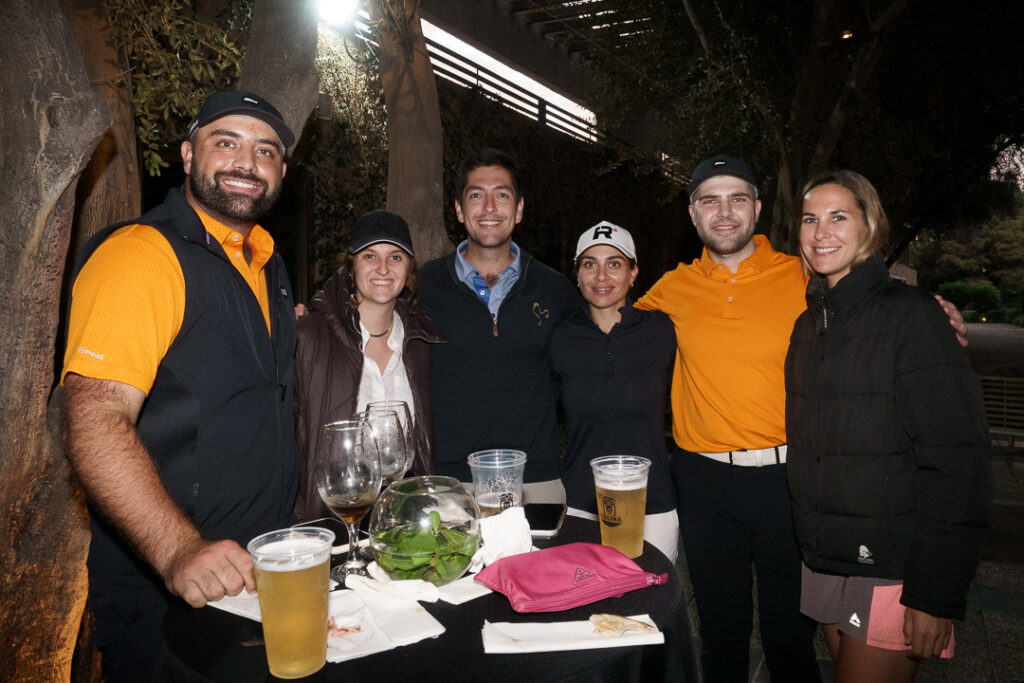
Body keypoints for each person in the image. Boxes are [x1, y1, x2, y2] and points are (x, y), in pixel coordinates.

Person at [636, 154, 967, 682]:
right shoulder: (670, 288)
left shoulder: (804, 272)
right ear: (692, 214)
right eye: (709, 201)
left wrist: (933, 307)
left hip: (790, 481)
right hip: (703, 482)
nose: (724, 212)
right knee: (719, 633)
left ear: (757, 208)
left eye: (737, 198)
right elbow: (610, 322)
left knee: (789, 637)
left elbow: (870, 293)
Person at [61, 90, 298, 682]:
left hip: (257, 577)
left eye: (265, 151)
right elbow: (93, 417)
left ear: (281, 172)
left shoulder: (268, 264)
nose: (246, 162)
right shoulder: (141, 255)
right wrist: (177, 550)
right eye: (226, 142)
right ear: (189, 156)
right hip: (167, 592)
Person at [785, 170, 991, 682]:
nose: (820, 232)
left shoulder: (912, 316)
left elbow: (957, 460)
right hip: (826, 555)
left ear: (870, 225)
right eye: (810, 219)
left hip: (892, 565)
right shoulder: (807, 326)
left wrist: (934, 594)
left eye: (838, 217)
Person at [419, 148, 578, 502]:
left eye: (502, 195)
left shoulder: (556, 291)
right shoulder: (422, 287)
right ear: (459, 210)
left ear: (518, 209)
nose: (489, 207)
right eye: (476, 195)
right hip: (449, 483)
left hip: (535, 481)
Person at [293, 209, 443, 522]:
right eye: (370, 256)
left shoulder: (421, 342)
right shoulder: (308, 336)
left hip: (403, 519)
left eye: (395, 257)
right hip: (332, 519)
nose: (383, 268)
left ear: (409, 269)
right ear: (352, 267)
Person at [549, 221, 679, 561]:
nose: (601, 276)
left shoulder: (663, 331)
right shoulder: (559, 337)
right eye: (590, 264)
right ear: (578, 275)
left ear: (633, 273)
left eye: (615, 263)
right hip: (581, 503)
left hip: (651, 503)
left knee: (651, 594)